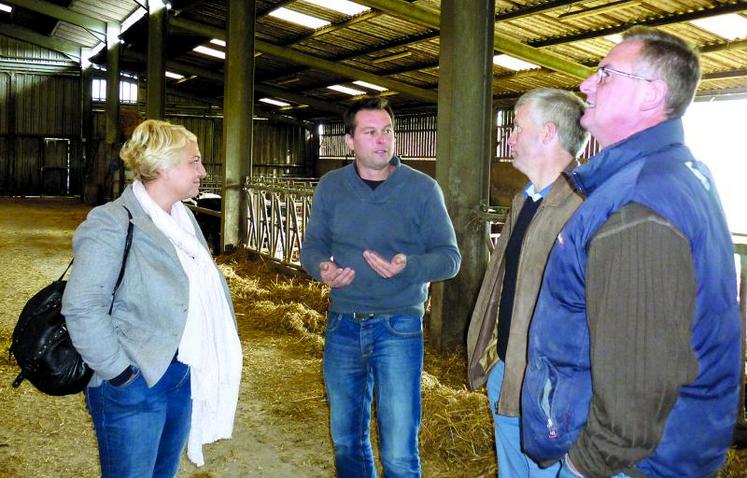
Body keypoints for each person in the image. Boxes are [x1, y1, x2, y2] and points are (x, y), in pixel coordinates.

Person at [521, 26, 741, 478]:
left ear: (650, 95)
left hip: (630, 464)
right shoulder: (672, 173)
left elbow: (640, 377)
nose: (585, 85)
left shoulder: (640, 201)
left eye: (604, 74)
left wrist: (587, 464)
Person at [62, 119, 243, 477]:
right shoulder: (112, 221)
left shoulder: (184, 218)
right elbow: (82, 306)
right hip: (135, 379)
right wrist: (119, 373)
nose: (202, 171)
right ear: (163, 166)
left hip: (181, 372)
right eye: (194, 161)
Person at [300, 98, 461, 477]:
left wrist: (410, 266)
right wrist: (321, 268)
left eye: (386, 131)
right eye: (370, 132)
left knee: (400, 446)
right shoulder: (332, 187)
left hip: (399, 326)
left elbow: (450, 258)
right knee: (346, 439)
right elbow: (313, 246)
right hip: (343, 324)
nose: (381, 139)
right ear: (349, 141)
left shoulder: (422, 189)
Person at [466, 88, 588, 477]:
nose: (509, 137)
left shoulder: (587, 206)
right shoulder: (525, 200)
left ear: (549, 133)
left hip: (554, 386)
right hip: (508, 368)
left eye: (517, 128)